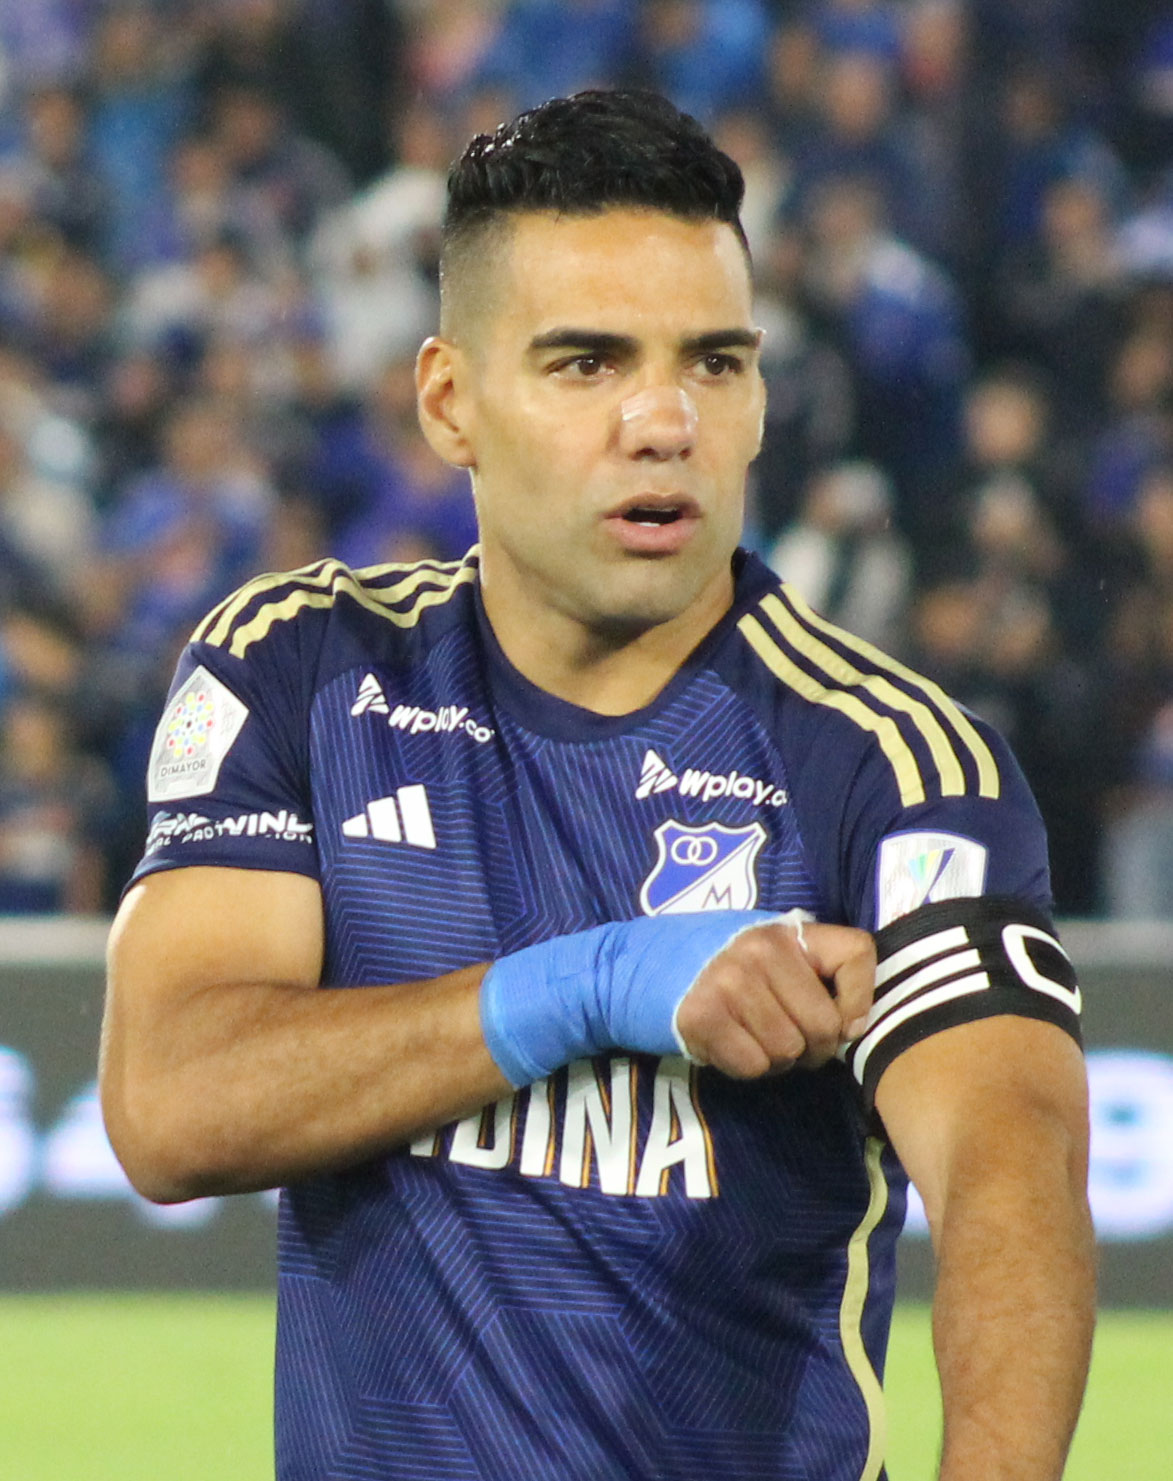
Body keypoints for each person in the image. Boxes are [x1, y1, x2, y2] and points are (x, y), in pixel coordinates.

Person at [100, 90, 1094, 1481]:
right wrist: (593, 985)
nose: (663, 420)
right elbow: (169, 1106)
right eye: (585, 362)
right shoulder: (303, 671)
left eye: (715, 363)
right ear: (449, 401)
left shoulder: (891, 764)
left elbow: (1011, 1169)